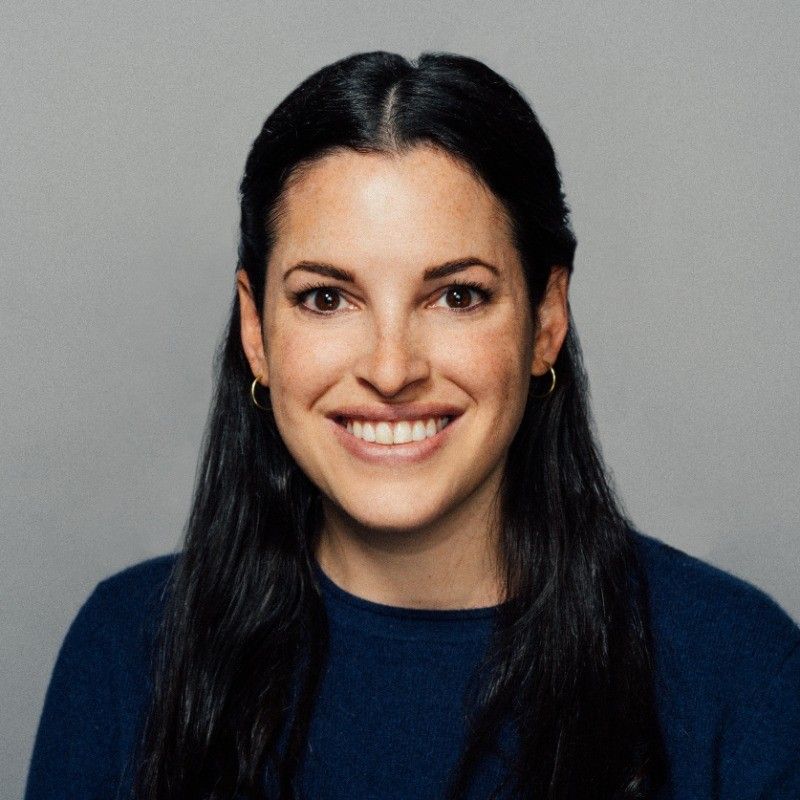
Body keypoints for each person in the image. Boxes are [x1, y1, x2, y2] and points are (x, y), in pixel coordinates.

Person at [24, 51, 800, 800]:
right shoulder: (127, 653)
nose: (391, 370)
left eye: (456, 296)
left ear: (547, 318)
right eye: (327, 298)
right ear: (256, 331)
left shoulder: (738, 669)